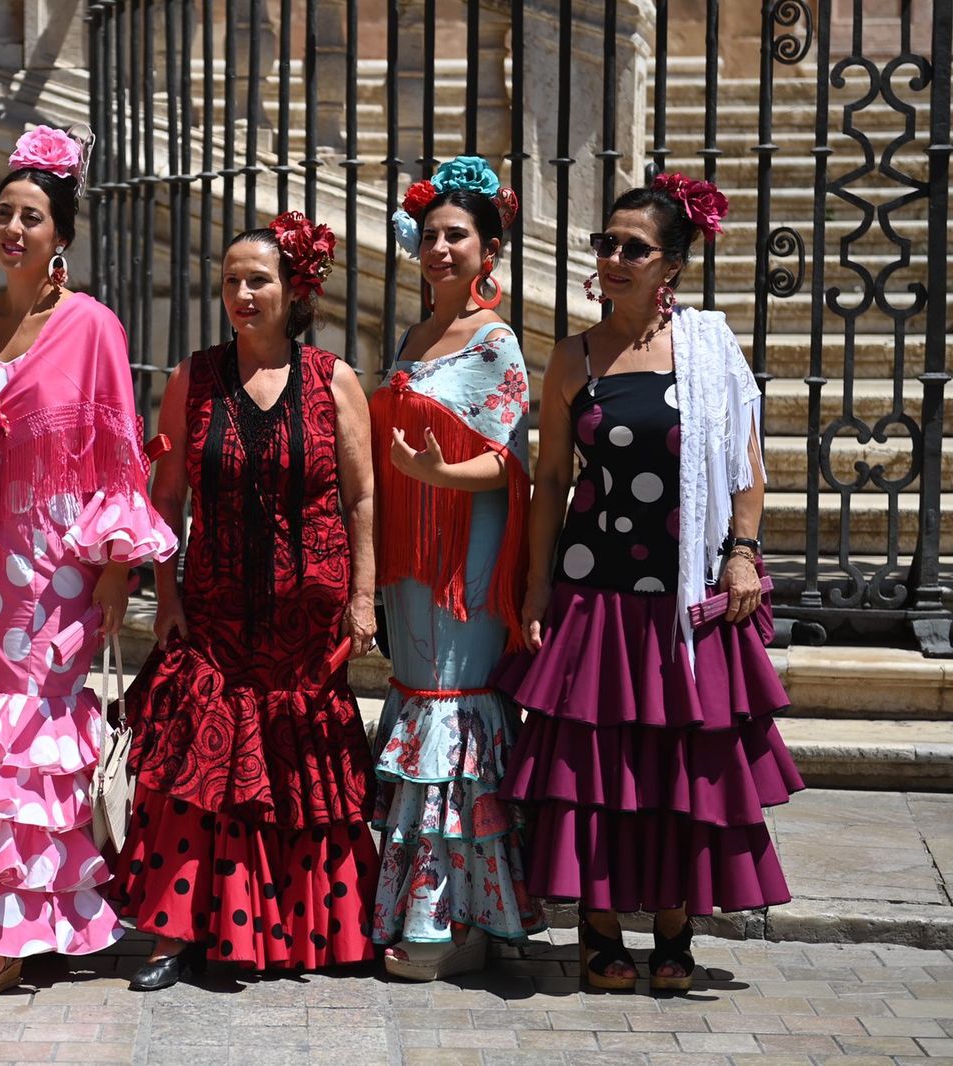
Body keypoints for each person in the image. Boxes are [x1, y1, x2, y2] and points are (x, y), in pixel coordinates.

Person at [496, 173, 805, 993]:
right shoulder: (574, 355)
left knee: (680, 766)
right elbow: (551, 479)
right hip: (592, 592)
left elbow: (746, 469)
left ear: (671, 265)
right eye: (607, 243)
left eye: (634, 247)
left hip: (683, 597)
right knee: (593, 770)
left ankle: (675, 930)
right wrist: (533, 593)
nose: (615, 257)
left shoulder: (710, 351)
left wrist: (744, 551)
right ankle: (599, 930)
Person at [0, 125, 177, 1006]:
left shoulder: (92, 325)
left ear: (61, 239)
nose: (15, 229)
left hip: (58, 563)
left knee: (31, 741)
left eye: (33, 218)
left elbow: (119, 456)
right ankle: (22, 920)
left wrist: (112, 571)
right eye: (5, 215)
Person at [109, 211, 379, 990]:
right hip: (216, 611)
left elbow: (361, 494)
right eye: (230, 281)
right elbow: (164, 500)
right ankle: (173, 935)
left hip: (307, 620)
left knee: (299, 775)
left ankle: (301, 933)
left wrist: (363, 597)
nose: (241, 293)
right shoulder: (195, 378)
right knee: (198, 774)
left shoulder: (334, 379)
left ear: (295, 289)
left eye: (257, 279)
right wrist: (162, 596)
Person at [367, 157, 546, 981]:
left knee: (450, 711)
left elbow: (512, 464)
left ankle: (448, 923)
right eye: (432, 234)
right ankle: (436, 909)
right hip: (409, 552)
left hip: (462, 555)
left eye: (458, 235)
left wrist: (440, 476)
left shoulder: (495, 340)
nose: (440, 247)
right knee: (419, 700)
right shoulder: (409, 336)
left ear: (489, 252)